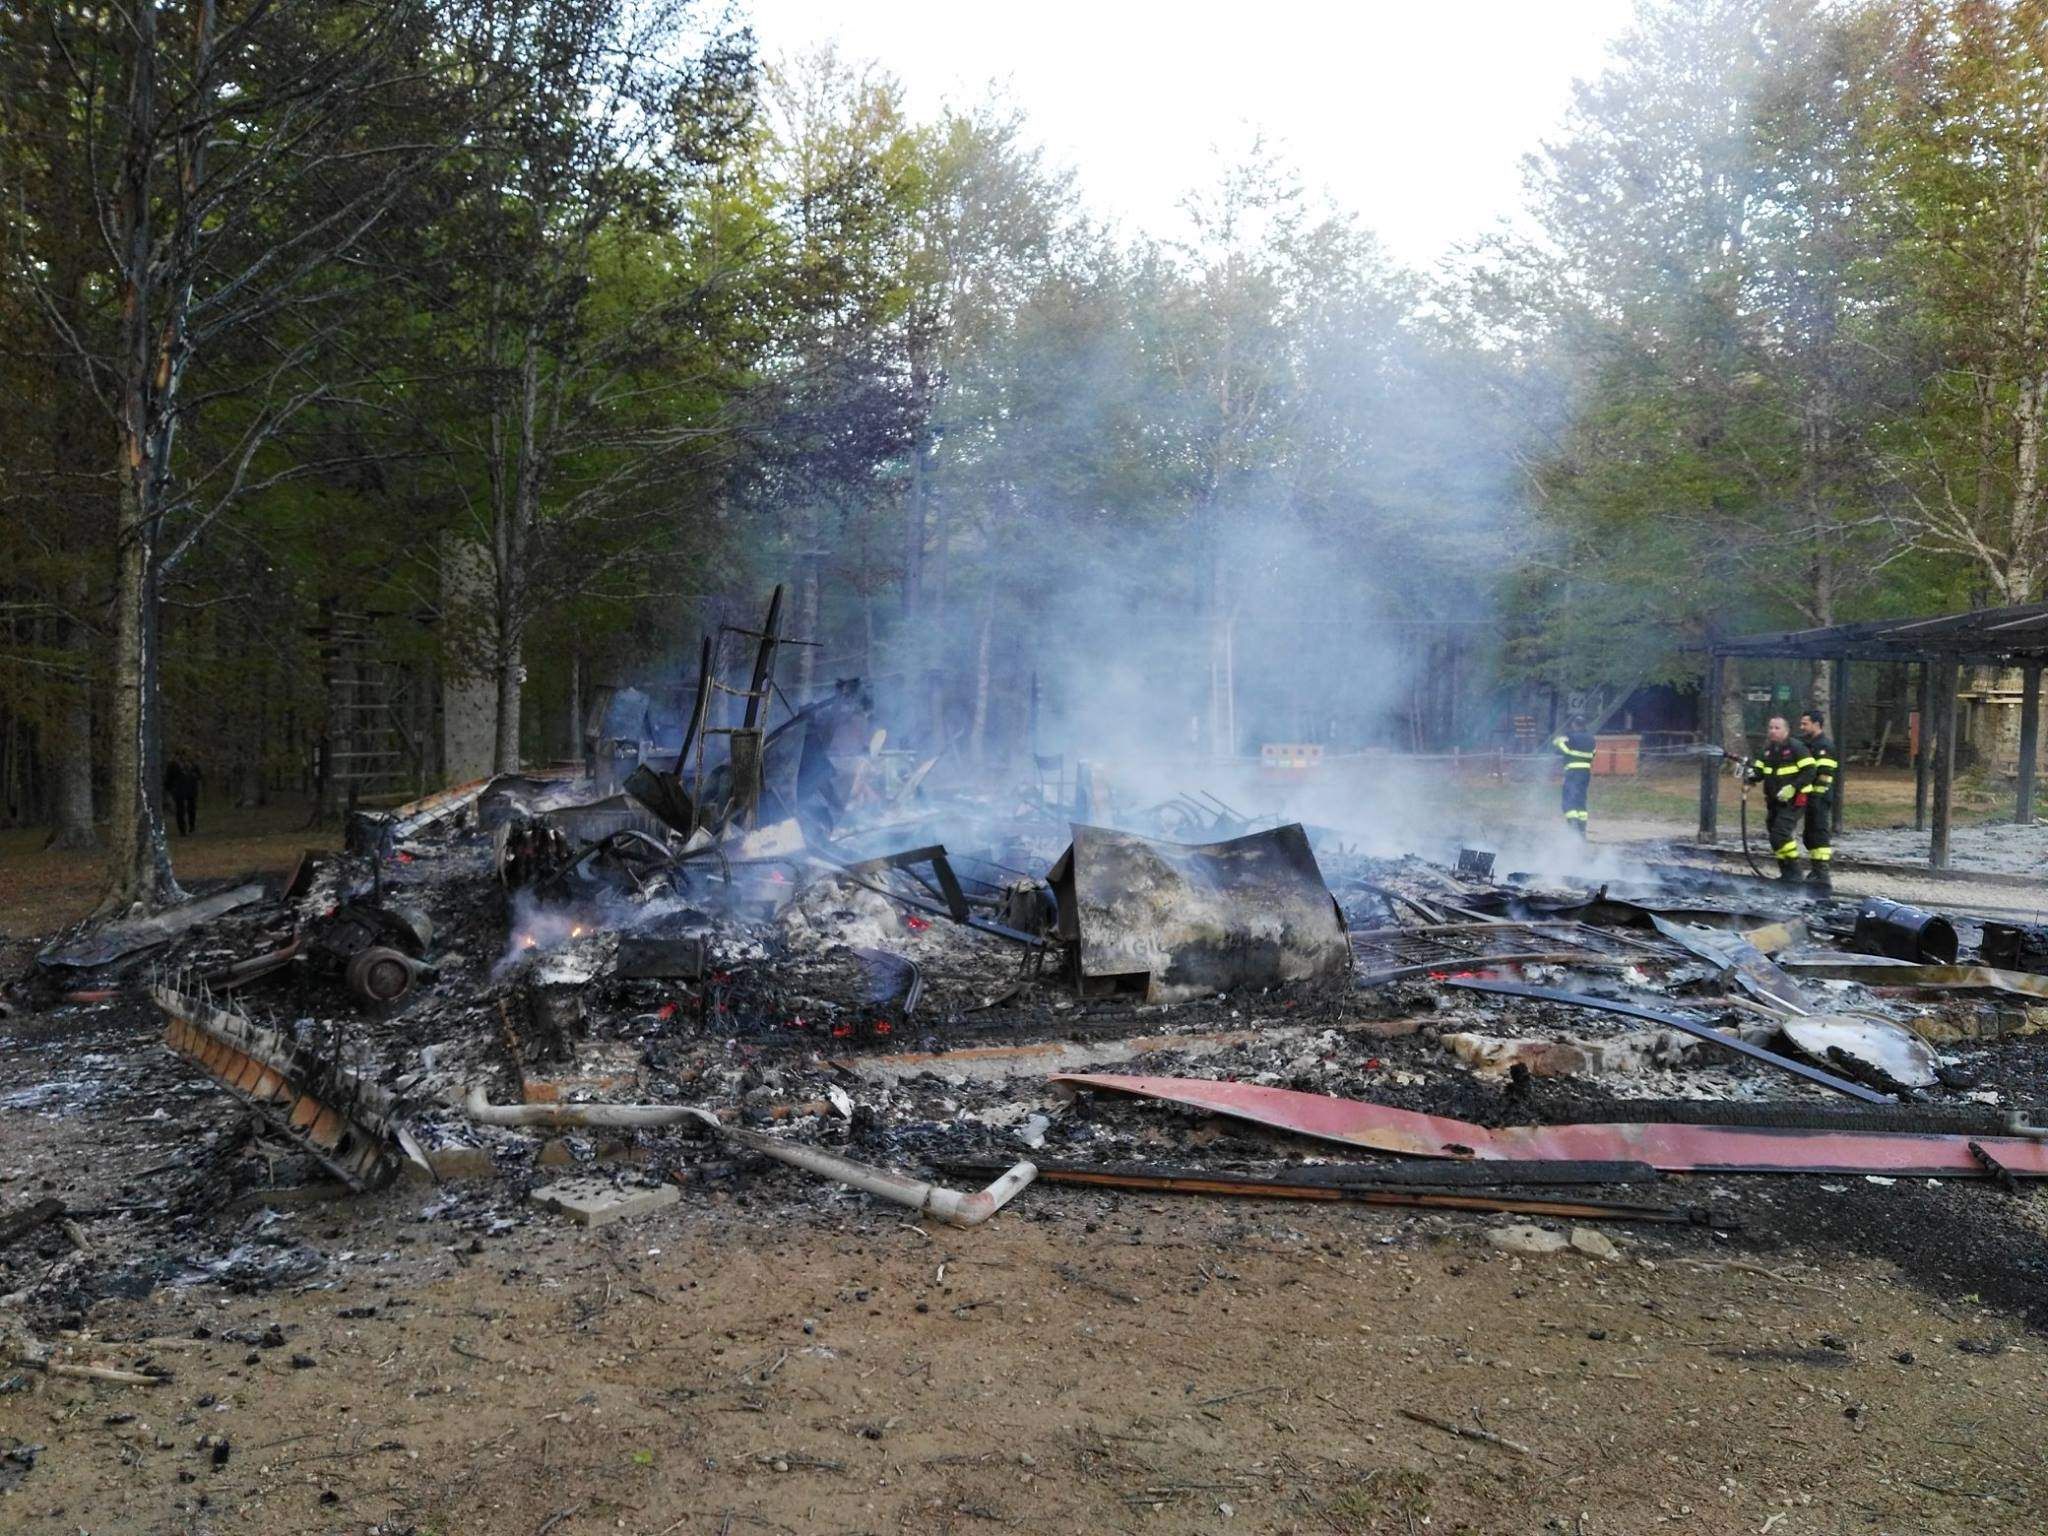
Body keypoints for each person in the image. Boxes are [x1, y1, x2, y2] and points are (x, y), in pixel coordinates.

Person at [1745, 716, 1807, 881]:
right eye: (1770, 727)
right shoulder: (1767, 750)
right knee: (1774, 835)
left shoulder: (1796, 747)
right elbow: (1759, 772)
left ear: (1786, 730)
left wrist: (1793, 787)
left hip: (1794, 800)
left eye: (1777, 728)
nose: (1772, 731)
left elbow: (1810, 771)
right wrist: (1750, 778)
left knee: (1780, 834)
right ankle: (1786, 873)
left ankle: (1795, 872)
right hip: (1774, 801)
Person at [1794, 707, 1838, 890]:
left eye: (1805, 724)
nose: (1802, 727)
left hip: (1819, 797)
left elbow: (1825, 775)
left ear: (1817, 724)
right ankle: (1816, 871)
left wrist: (1816, 796)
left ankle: (1822, 873)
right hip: (1810, 797)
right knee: (1809, 835)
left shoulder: (1824, 746)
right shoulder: (1808, 744)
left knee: (1818, 834)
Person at [1550, 717, 1596, 837]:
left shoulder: (1571, 737)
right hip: (1585, 773)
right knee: (1581, 800)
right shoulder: (1591, 739)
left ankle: (1572, 827)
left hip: (1573, 772)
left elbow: (1564, 750)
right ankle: (1582, 830)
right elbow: (1593, 754)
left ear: (1574, 725)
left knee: (1569, 800)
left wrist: (1558, 741)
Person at [164, 760, 201, 836]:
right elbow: (168, 779)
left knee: (191, 809)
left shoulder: (192, 763)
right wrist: (169, 790)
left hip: (190, 789)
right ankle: (183, 830)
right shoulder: (173, 764)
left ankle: (191, 827)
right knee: (180, 810)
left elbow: (199, 775)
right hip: (179, 790)